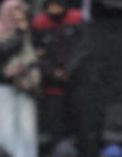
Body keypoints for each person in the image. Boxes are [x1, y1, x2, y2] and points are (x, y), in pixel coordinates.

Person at [0, 0, 40, 157]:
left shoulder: (29, 32)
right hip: (3, 86)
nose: (18, 17)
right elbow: (4, 51)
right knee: (5, 129)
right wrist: (19, 33)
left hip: (25, 86)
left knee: (26, 128)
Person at [32, 0, 86, 146]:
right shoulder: (40, 24)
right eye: (51, 5)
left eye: (58, 5)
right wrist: (52, 72)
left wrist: (68, 70)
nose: (55, 9)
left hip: (75, 81)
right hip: (52, 84)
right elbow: (37, 53)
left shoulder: (75, 19)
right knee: (55, 125)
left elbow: (82, 48)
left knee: (79, 122)